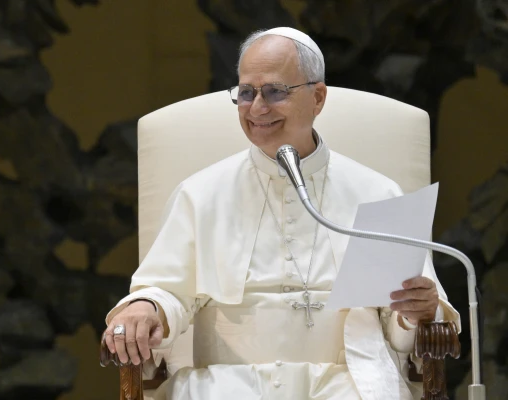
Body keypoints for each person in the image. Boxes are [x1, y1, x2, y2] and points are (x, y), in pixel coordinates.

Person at [103, 27, 460, 400]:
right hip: (226, 386)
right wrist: (145, 306)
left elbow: (402, 324)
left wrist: (417, 314)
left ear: (317, 97)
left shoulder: (377, 193)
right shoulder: (200, 193)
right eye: (246, 93)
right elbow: (167, 291)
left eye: (275, 92)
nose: (257, 108)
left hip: (350, 383)